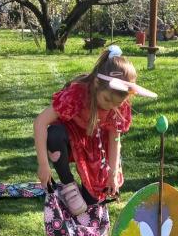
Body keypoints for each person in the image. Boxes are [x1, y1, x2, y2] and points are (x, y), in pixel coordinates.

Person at [34, 45, 156, 217]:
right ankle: (68, 185)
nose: (111, 107)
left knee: (91, 202)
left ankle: (89, 191)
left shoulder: (118, 106)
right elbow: (40, 122)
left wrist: (113, 173)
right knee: (54, 134)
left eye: (117, 104)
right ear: (97, 84)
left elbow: (115, 140)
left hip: (97, 144)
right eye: (107, 100)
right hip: (71, 138)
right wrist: (43, 165)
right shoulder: (77, 94)